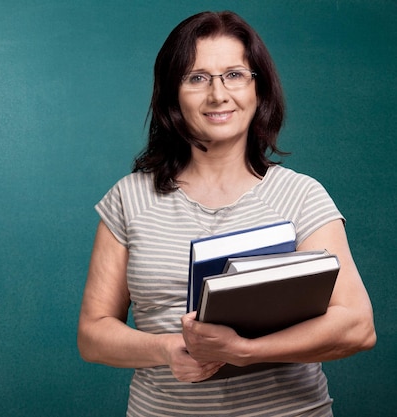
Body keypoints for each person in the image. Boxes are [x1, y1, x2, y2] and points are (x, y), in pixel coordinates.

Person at [77, 10, 376, 417]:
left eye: (235, 74)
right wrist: (166, 350)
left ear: (259, 89)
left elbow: (358, 327)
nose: (218, 95)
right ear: (172, 94)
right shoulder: (128, 199)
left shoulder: (301, 196)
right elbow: (93, 335)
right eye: (197, 78)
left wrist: (246, 352)